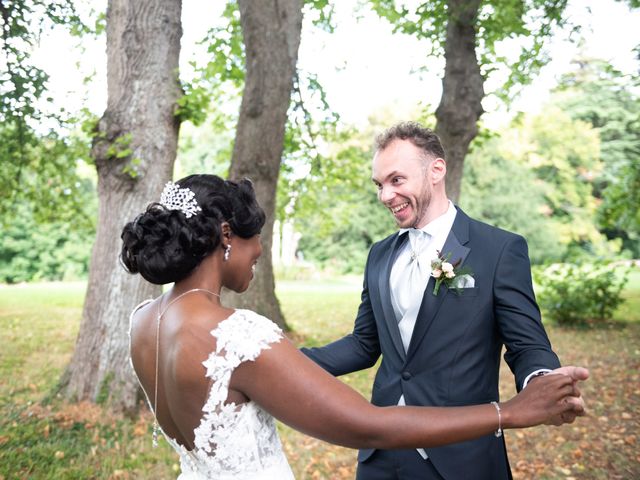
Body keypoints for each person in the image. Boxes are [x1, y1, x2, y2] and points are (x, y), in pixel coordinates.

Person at [122, 174, 587, 480]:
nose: (260, 252)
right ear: (226, 236)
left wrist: (284, 368)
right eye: (255, 238)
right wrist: (510, 412)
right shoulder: (239, 335)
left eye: (396, 179)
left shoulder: (143, 321)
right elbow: (368, 426)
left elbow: (252, 377)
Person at [302, 122, 589, 480]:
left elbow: (527, 345)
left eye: (396, 180)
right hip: (381, 452)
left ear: (436, 170)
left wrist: (542, 381)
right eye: (379, 185)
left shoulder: (498, 250)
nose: (385, 196)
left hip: (461, 457)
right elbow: (364, 344)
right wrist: (281, 360)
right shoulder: (379, 255)